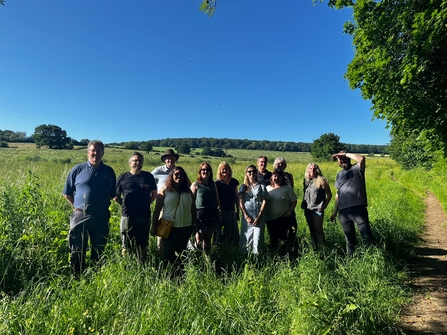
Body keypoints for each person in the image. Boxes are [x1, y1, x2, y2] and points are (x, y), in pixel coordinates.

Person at [62, 140, 116, 276]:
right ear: (88, 152)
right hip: (80, 216)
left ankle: (95, 277)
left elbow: (112, 195)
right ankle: (77, 278)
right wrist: (79, 207)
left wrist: (99, 204)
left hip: (101, 216)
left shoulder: (109, 171)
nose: (95, 154)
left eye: (98, 151)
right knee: (77, 248)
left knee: (99, 248)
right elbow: (67, 193)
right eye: (92, 150)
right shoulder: (77, 169)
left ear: (103, 153)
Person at [114, 152, 157, 263]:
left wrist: (147, 203)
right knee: (126, 244)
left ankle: (143, 264)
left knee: (143, 244)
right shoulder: (123, 177)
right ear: (130, 163)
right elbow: (115, 196)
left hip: (144, 216)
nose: (138, 163)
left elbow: (154, 194)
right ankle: (126, 265)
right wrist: (124, 205)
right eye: (135, 160)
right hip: (127, 216)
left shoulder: (148, 176)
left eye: (140, 161)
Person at [330, 151, 373, 255]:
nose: (342, 161)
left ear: (348, 158)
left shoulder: (357, 168)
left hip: (358, 209)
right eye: (339, 160)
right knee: (349, 240)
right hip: (343, 212)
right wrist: (335, 212)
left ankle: (372, 259)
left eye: (344, 158)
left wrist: (343, 154)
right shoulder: (339, 175)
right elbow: (338, 194)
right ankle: (351, 260)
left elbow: (361, 158)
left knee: (366, 237)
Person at [151, 167, 196, 264]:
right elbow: (157, 210)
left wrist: (194, 224)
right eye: (176, 174)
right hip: (169, 227)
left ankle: (180, 274)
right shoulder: (164, 190)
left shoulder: (188, 192)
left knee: (182, 252)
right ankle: (165, 274)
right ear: (171, 176)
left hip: (186, 227)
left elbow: (193, 209)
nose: (179, 176)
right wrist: (154, 226)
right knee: (168, 253)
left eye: (182, 175)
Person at [151, 149, 181, 252]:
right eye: (168, 158)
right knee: (162, 232)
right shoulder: (158, 171)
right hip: (163, 207)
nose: (170, 160)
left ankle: (173, 255)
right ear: (164, 160)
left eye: (172, 158)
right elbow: (148, 181)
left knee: (175, 233)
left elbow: (187, 185)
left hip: (177, 207)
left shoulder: (178, 171)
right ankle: (161, 255)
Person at [190, 162, 220, 253]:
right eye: (203, 169)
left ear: (210, 172)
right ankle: (196, 257)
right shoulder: (195, 185)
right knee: (199, 238)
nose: (205, 171)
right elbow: (191, 201)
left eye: (207, 170)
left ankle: (207, 260)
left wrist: (219, 211)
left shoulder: (213, 184)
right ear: (200, 171)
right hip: (200, 214)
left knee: (208, 239)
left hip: (212, 213)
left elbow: (217, 198)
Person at [265, 169, 297, 253]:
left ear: (283, 178)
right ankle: (273, 256)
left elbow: (294, 200)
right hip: (269, 218)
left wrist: (289, 212)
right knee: (273, 238)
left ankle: (284, 256)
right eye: (275, 176)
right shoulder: (267, 188)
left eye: (279, 176)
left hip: (282, 218)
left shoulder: (287, 188)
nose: (277, 178)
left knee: (283, 239)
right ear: (271, 178)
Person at [239, 164, 268, 254]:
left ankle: (257, 259)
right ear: (246, 173)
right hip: (247, 216)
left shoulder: (261, 186)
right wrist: (246, 215)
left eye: (254, 171)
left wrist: (259, 216)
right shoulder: (243, 187)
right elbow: (240, 201)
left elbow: (264, 201)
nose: (252, 173)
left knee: (258, 239)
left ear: (256, 173)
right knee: (246, 238)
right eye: (249, 172)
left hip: (259, 216)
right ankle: (245, 258)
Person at [302, 163, 332, 246]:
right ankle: (315, 247)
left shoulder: (322, 180)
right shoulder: (306, 181)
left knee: (318, 230)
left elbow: (329, 195)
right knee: (312, 229)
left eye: (314, 169)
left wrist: (324, 206)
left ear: (317, 170)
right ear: (308, 170)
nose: (312, 171)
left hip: (317, 209)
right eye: (310, 168)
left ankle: (322, 247)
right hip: (307, 208)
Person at [273, 157, 297, 246]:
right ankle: (278, 247)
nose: (280, 165)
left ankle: (291, 246)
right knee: (277, 230)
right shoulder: (272, 175)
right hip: (276, 207)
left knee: (292, 228)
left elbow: (292, 189)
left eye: (282, 164)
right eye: (278, 163)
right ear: (274, 165)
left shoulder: (289, 176)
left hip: (289, 205)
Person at [214, 161, 240, 246]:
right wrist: (218, 210)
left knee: (232, 230)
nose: (225, 170)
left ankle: (232, 247)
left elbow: (237, 197)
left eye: (226, 168)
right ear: (220, 170)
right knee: (219, 231)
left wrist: (238, 211)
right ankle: (219, 246)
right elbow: (216, 198)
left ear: (229, 170)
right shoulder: (217, 183)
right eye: (223, 169)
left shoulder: (234, 182)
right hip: (221, 210)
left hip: (231, 210)